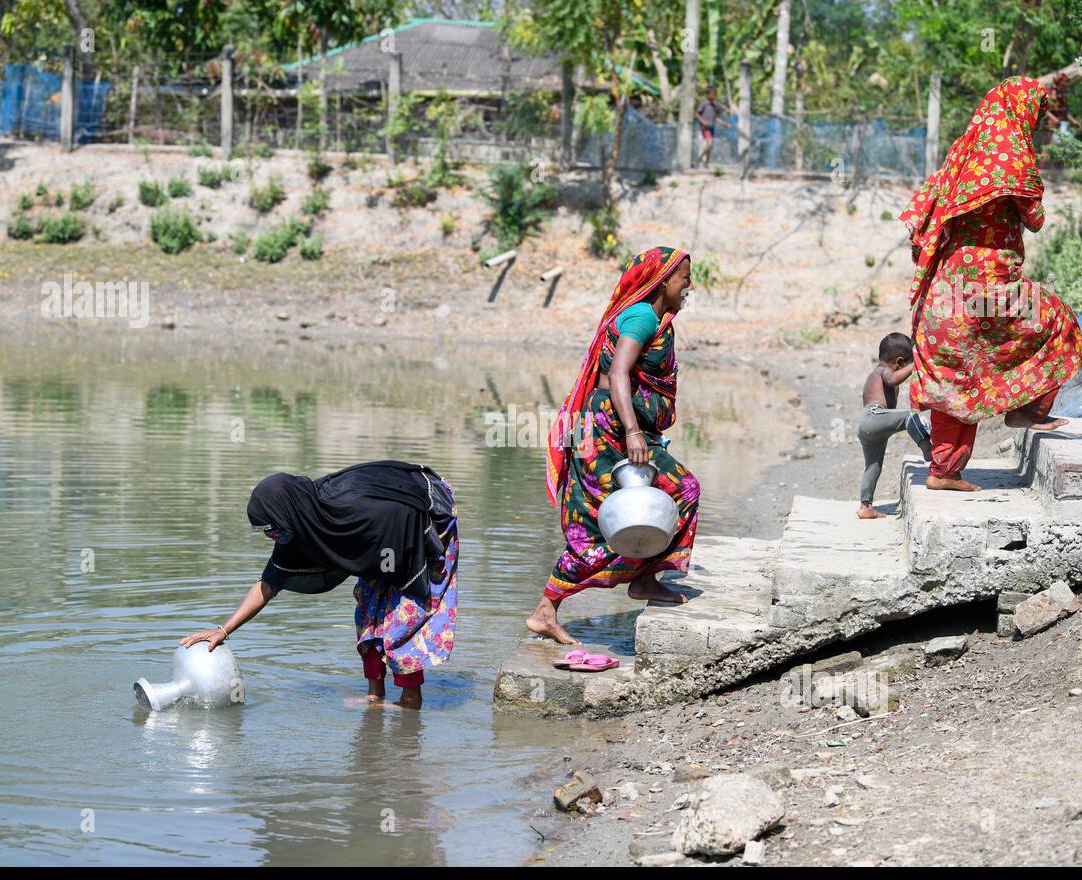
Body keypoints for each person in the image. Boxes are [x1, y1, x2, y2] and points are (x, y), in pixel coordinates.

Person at [898, 75, 1082, 493]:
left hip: (943, 296)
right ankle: (1027, 409)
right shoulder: (1011, 155)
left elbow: (924, 218)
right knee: (1060, 324)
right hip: (989, 290)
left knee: (955, 377)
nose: (1036, 122)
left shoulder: (962, 153)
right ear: (1022, 110)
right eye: (1035, 112)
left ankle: (943, 471)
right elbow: (1035, 219)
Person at [526, 247, 702, 646]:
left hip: (620, 427)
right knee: (610, 518)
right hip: (610, 431)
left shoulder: (654, 318)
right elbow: (619, 373)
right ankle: (546, 608)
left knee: (653, 501)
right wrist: (633, 433)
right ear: (662, 281)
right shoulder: (641, 316)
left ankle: (643, 578)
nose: (689, 285)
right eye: (684, 277)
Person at [180, 460, 457, 709]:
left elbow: (400, 515)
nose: (272, 537)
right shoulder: (299, 523)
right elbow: (268, 583)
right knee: (369, 613)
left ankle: (411, 700)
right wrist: (223, 630)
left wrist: (398, 576)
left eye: (273, 530)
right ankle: (375, 694)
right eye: (267, 533)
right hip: (383, 538)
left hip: (421, 512)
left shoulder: (350, 507)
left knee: (401, 617)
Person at [857, 332, 933, 519]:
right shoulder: (882, 371)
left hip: (869, 426)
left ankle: (865, 506)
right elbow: (893, 379)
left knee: (873, 466)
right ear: (899, 362)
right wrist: (916, 363)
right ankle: (927, 448)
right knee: (910, 415)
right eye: (905, 366)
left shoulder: (878, 373)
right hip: (874, 416)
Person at [695, 88, 730, 169]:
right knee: (709, 143)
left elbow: (715, 118)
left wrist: (724, 124)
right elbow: (696, 114)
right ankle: (700, 158)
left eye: (715, 94)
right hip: (706, 127)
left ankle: (706, 163)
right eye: (712, 94)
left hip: (712, 127)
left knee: (710, 146)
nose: (714, 96)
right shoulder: (704, 104)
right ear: (707, 95)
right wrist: (703, 122)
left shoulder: (714, 105)